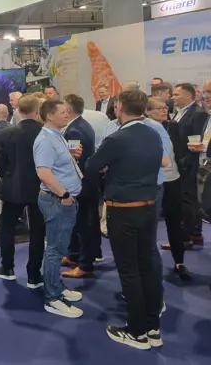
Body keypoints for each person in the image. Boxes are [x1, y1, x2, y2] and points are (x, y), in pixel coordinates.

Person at [85, 90, 165, 350]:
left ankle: (137, 332)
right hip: (149, 208)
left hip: (123, 211)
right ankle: (152, 328)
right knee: (147, 268)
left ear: (119, 107)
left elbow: (91, 167)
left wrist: (107, 172)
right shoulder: (153, 134)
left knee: (129, 271)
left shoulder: (116, 138)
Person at [33, 99, 84, 318]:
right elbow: (44, 173)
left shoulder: (56, 135)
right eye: (63, 112)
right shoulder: (45, 139)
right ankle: (52, 297)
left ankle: (56, 286)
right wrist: (64, 195)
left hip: (63, 199)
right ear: (50, 116)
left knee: (59, 247)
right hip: (57, 200)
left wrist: (70, 157)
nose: (68, 114)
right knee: (55, 249)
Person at [0, 95, 45, 288]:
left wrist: (8, 176)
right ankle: (34, 274)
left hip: (13, 187)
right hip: (40, 187)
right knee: (38, 231)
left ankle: (7, 267)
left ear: (19, 111)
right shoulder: (45, 132)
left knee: (8, 228)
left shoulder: (7, 133)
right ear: (37, 110)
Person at [145, 97, 191, 280]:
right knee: (150, 223)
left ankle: (179, 261)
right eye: (159, 108)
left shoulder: (173, 126)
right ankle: (148, 265)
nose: (164, 110)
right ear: (147, 111)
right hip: (153, 181)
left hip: (173, 179)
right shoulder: (145, 130)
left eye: (165, 107)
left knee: (175, 221)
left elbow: (180, 151)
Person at [62, 94, 99, 280]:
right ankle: (74, 256)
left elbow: (74, 161)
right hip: (86, 181)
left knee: (84, 223)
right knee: (81, 222)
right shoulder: (82, 125)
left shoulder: (75, 130)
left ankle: (85, 264)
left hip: (81, 183)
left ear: (68, 110)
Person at [172, 83, 208, 246]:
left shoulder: (198, 113)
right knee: (189, 200)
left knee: (190, 201)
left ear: (188, 95)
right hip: (181, 163)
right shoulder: (179, 112)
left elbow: (197, 140)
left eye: (176, 94)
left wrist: (186, 162)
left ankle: (187, 237)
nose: (173, 97)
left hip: (191, 164)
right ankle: (194, 234)